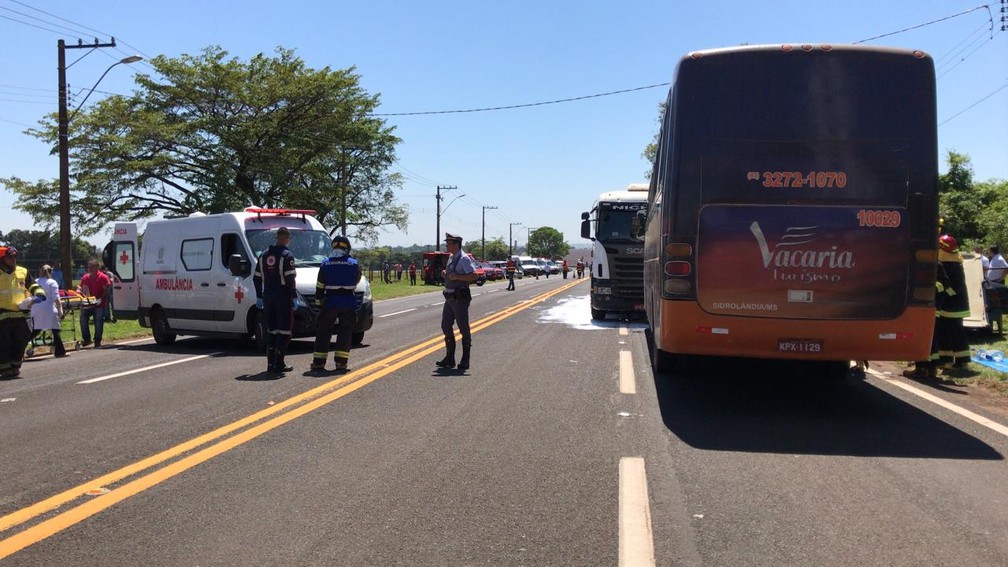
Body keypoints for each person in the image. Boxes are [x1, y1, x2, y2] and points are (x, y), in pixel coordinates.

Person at [311, 235, 361, 372]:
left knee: (323, 332)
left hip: (330, 302)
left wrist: (319, 304)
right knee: (345, 332)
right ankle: (341, 363)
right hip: (348, 302)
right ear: (347, 248)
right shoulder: (354, 264)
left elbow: (320, 286)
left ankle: (318, 363)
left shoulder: (325, 263)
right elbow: (356, 280)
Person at [253, 227, 297, 373]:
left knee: (271, 330)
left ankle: (270, 364)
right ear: (285, 238)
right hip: (282, 296)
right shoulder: (287, 255)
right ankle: (279, 363)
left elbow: (256, 278)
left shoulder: (263, 255)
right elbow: (290, 279)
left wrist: (259, 295)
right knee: (284, 331)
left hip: (267, 297)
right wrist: (294, 297)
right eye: (288, 239)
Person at [0, 246, 46, 378]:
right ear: (3, 258)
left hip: (20, 313)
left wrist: (39, 294)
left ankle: (15, 366)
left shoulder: (23, 271)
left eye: (15, 257)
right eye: (10, 257)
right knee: (4, 343)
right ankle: (5, 369)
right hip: (2, 314)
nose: (13, 260)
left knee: (21, 341)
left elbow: (33, 285)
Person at [436, 232, 478, 371]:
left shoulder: (464, 259)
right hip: (449, 297)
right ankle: (450, 358)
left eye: (449, 243)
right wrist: (445, 273)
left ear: (456, 245)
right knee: (445, 326)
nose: (446, 245)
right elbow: (451, 274)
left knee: (463, 327)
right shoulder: (451, 257)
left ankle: (465, 359)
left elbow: (474, 276)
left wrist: (457, 276)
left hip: (460, 298)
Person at [30, 265, 68, 358]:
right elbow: (56, 298)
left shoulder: (35, 281)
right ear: (51, 272)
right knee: (55, 330)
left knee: (35, 330)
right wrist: (60, 311)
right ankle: (60, 352)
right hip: (49, 309)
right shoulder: (52, 282)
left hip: (36, 308)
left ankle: (19, 347)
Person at [78, 258, 112, 348]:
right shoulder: (85, 277)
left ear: (97, 267)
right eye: (89, 267)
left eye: (92, 267)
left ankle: (97, 340)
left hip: (99, 304)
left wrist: (100, 298)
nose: (90, 269)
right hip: (88, 303)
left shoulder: (102, 277)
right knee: (83, 318)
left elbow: (107, 289)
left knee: (98, 321)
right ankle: (87, 339)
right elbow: (81, 287)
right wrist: (78, 290)